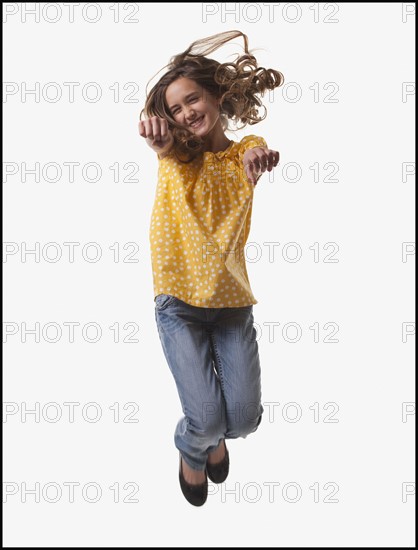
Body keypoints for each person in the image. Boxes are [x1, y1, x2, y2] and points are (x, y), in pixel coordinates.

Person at [138, 30, 284, 507]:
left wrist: (257, 160)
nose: (185, 114)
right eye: (174, 110)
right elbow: (166, 147)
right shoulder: (177, 155)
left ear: (217, 95)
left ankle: (215, 435)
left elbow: (250, 156)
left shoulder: (246, 150)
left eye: (192, 100)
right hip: (178, 302)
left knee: (242, 420)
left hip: (230, 304)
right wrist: (159, 139)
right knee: (205, 418)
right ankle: (195, 448)